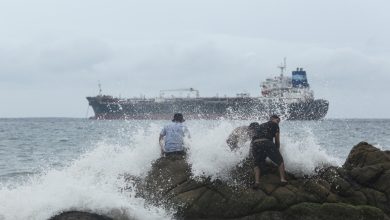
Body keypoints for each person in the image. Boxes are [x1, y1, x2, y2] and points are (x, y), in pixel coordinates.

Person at [250, 115, 287, 189]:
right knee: (280, 161)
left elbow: (253, 138)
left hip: (255, 144)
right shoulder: (275, 124)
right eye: (278, 120)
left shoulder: (261, 125)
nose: (278, 122)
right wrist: (277, 150)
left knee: (257, 163)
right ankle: (282, 179)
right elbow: (277, 140)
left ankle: (257, 182)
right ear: (273, 119)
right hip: (266, 142)